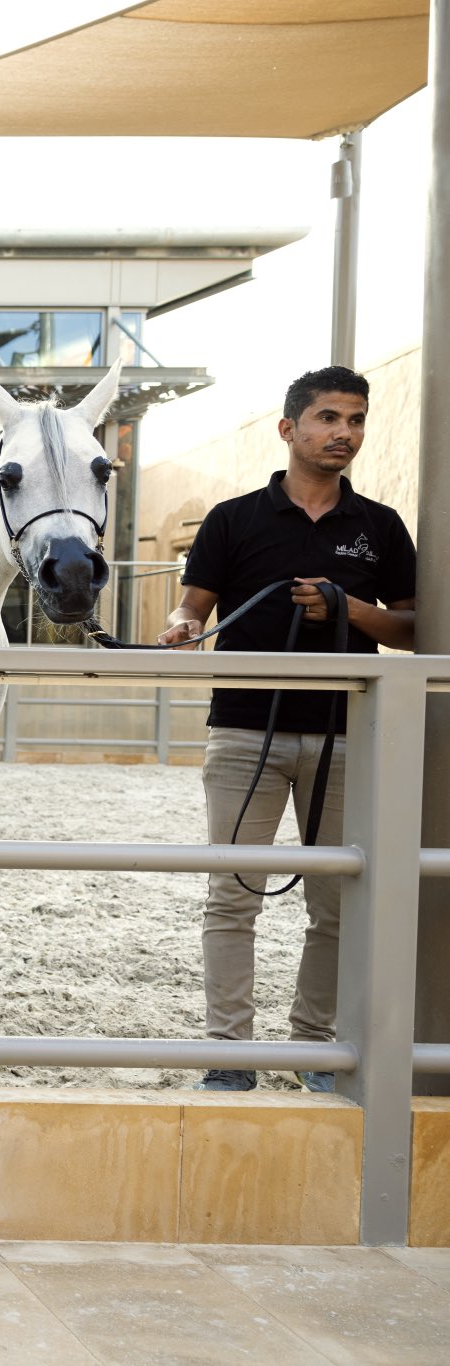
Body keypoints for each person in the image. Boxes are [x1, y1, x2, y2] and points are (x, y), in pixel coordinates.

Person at [158, 365, 416, 1092]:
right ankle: (230, 1053)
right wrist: (180, 630)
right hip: (243, 732)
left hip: (345, 735)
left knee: (336, 900)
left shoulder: (380, 527)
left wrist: (350, 611)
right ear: (289, 429)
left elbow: (415, 624)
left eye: (357, 419)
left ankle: (313, 1050)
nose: (345, 433)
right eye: (329, 418)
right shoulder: (233, 519)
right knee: (233, 893)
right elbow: (192, 609)